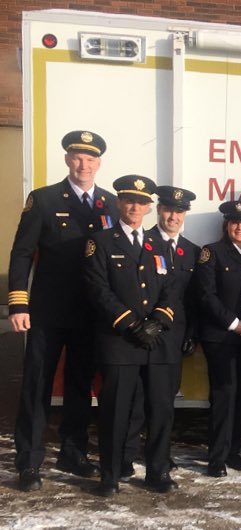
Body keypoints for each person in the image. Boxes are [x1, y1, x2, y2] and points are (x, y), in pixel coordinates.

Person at [9, 130, 117, 491]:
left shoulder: (111, 204)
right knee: (36, 383)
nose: (83, 164)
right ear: (68, 160)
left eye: (90, 158)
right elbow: (22, 252)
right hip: (48, 312)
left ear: (99, 163)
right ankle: (28, 461)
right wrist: (18, 302)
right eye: (77, 157)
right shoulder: (42, 199)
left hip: (90, 313)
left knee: (79, 385)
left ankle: (73, 452)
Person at [82, 175, 178, 497]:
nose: (134, 207)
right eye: (128, 200)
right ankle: (109, 476)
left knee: (160, 411)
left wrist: (157, 323)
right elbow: (98, 289)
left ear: (149, 207)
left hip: (156, 344)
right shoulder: (102, 241)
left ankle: (157, 471)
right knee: (116, 412)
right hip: (120, 342)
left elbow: (171, 290)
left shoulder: (159, 244)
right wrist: (131, 325)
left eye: (141, 202)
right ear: (119, 203)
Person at [124, 185, 200, 476]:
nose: (173, 216)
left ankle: (159, 457)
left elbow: (193, 299)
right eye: (168, 209)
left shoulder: (192, 251)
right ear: (158, 210)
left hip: (173, 340)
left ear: (185, 215)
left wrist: (191, 332)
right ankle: (126, 457)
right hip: (142, 336)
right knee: (136, 402)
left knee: (164, 405)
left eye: (179, 211)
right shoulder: (143, 242)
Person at [195, 201, 241, 477]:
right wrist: (235, 324)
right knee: (224, 394)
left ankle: (233, 450)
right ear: (227, 225)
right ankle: (217, 457)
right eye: (235, 222)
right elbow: (206, 295)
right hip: (221, 337)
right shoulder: (211, 253)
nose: (240, 227)